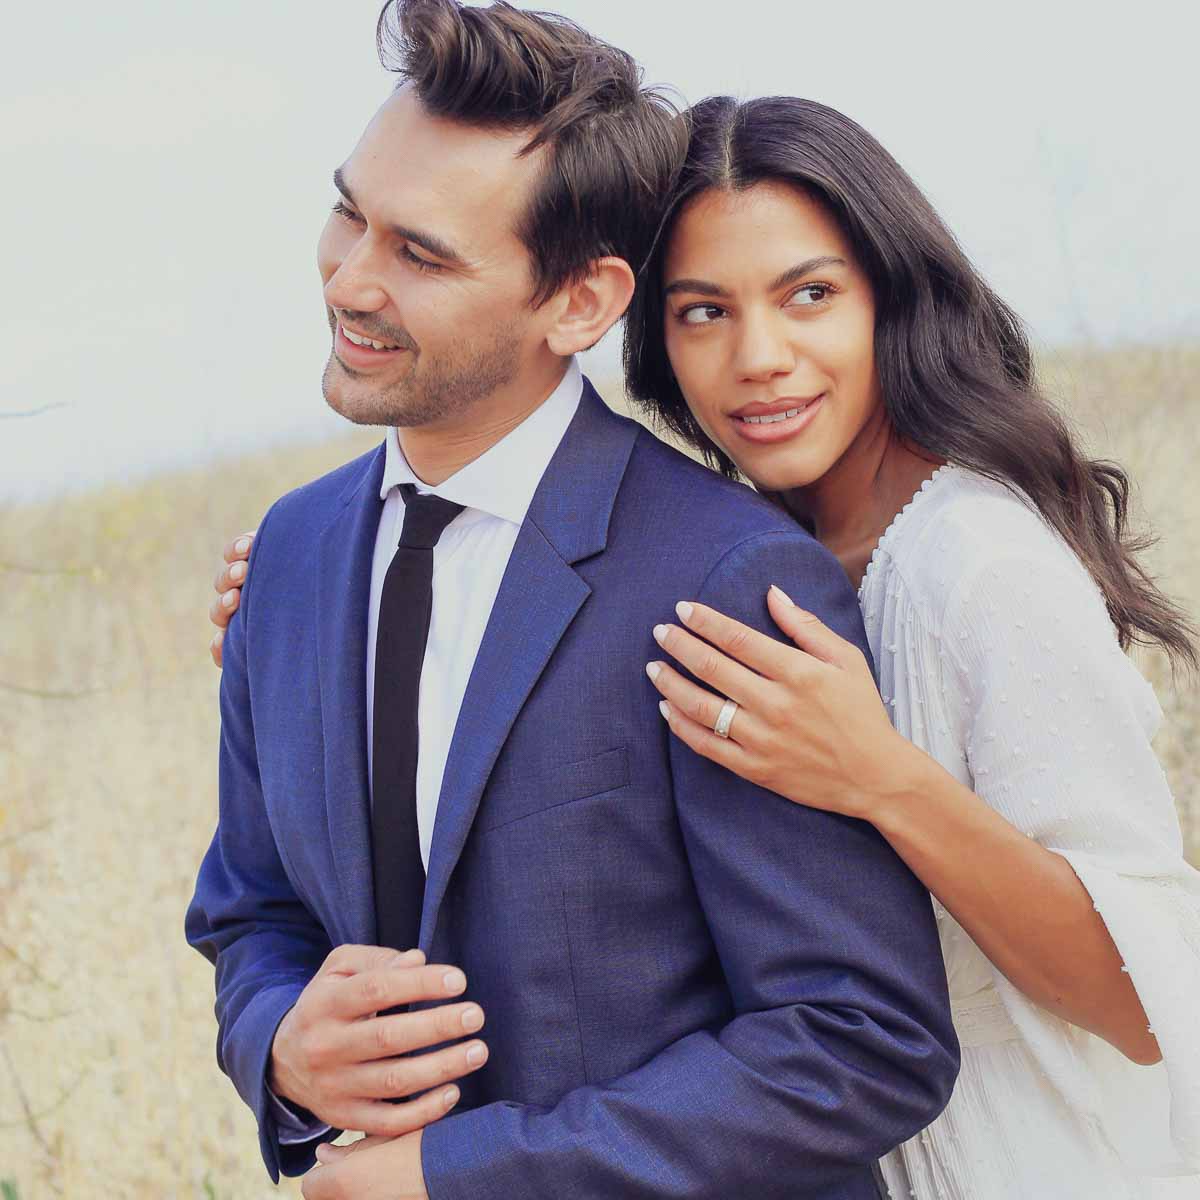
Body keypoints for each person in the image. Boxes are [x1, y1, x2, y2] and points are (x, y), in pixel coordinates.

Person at [212, 91, 1200, 1199]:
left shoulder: (971, 566)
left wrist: (886, 781)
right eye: (702, 312)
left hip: (1021, 1157)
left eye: (809, 295)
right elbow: (253, 912)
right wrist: (283, 1050)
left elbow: (1145, 994)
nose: (757, 358)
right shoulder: (757, 534)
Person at [187, 4, 959, 1199]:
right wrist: (284, 1047)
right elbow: (250, 914)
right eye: (351, 212)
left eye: (422, 255)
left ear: (584, 305)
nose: (349, 279)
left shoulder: (726, 581)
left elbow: (859, 1045)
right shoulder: (283, 559)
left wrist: (459, 1174)